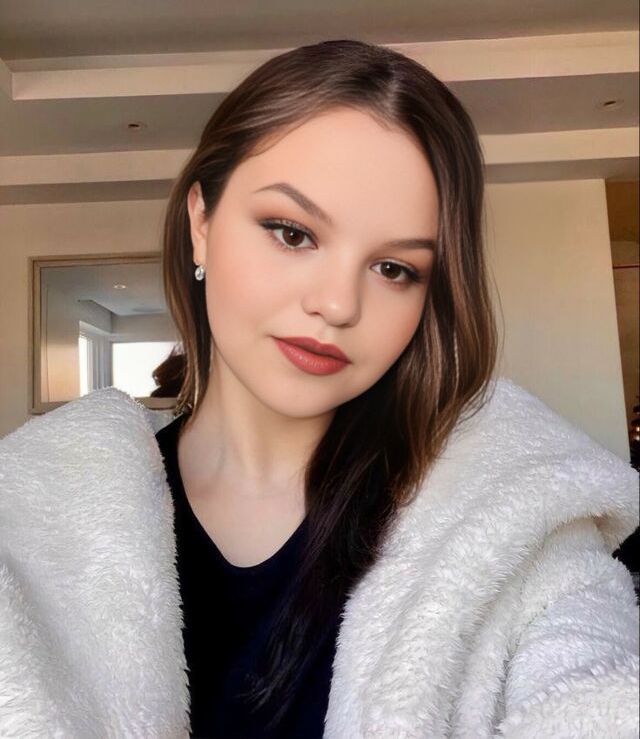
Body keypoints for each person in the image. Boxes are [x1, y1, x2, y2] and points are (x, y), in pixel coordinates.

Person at [0, 39, 638, 739]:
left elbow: (593, 690)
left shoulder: (512, 521)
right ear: (201, 224)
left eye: (394, 269)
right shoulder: (28, 517)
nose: (337, 304)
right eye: (292, 233)